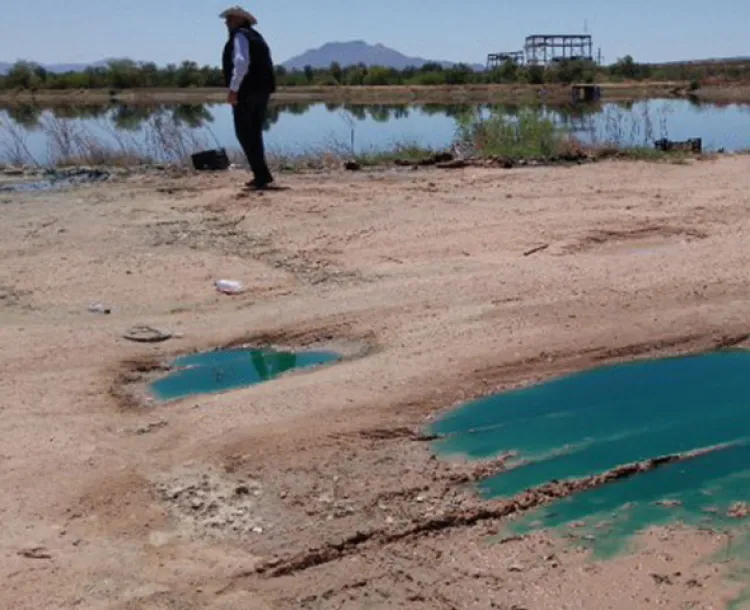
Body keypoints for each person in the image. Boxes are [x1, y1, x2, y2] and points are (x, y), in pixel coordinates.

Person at [220, 6, 276, 190]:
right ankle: (261, 175)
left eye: (229, 19)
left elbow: (241, 63)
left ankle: (261, 175)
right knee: (254, 133)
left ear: (238, 19)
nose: (226, 22)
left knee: (245, 133)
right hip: (262, 91)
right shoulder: (257, 37)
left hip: (247, 91)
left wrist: (234, 89)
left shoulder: (240, 36)